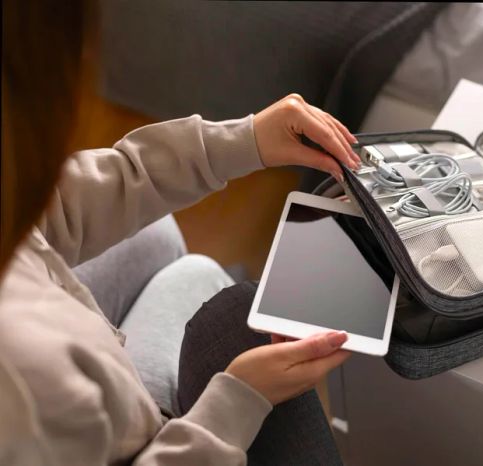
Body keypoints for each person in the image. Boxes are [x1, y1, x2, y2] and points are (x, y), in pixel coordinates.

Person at [1, 2, 361, 464]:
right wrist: (237, 402)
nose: (91, 61)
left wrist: (243, 140)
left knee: (156, 237)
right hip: (130, 441)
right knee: (211, 292)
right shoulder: (25, 389)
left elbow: (61, 207)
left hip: (82, 388)